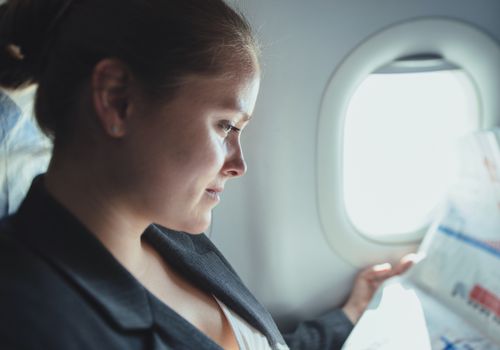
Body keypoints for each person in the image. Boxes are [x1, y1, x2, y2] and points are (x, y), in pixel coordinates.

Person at [0, 0, 412, 349]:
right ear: (117, 100)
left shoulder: (170, 236)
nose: (239, 165)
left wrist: (349, 315)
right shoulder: (37, 322)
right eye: (225, 126)